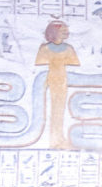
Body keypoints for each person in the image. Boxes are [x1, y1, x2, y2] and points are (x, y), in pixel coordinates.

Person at [34, 20, 80, 149]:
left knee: (59, 110)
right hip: (47, 80)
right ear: (54, 32)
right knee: (46, 110)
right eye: (63, 30)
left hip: (61, 81)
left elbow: (74, 64)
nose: (67, 32)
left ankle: (58, 139)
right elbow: (39, 66)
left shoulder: (69, 49)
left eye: (66, 30)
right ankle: (53, 140)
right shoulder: (45, 49)